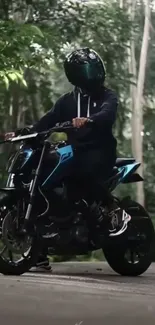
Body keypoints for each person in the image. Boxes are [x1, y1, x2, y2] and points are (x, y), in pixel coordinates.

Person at [8, 48, 131, 271]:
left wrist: (89, 120)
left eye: (93, 68)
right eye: (86, 69)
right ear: (74, 74)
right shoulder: (67, 101)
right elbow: (47, 121)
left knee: (83, 172)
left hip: (100, 151)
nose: (91, 73)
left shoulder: (107, 96)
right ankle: (39, 253)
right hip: (75, 150)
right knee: (43, 179)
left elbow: (107, 114)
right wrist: (24, 132)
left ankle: (113, 208)